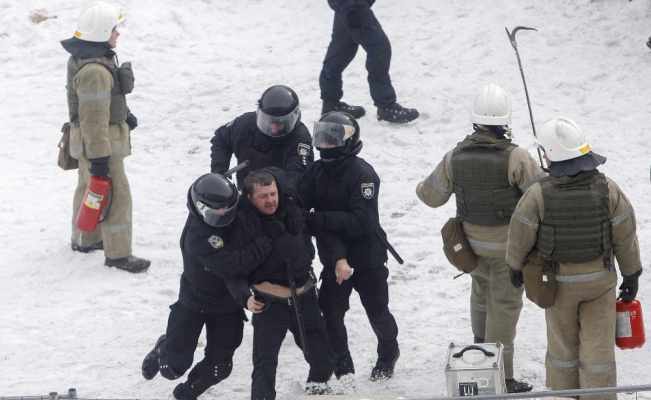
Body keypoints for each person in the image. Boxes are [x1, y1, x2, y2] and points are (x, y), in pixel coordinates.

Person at [415, 84, 544, 393]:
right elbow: (542, 197)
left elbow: (430, 196)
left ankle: (478, 352)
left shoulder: (454, 156)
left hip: (470, 250)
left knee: (480, 296)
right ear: (505, 122)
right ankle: (502, 374)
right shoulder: (517, 157)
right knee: (504, 306)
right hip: (508, 252)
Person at [505, 117, 642, 400]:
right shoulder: (609, 189)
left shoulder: (538, 194)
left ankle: (567, 394)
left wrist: (514, 266)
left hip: (557, 285)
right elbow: (625, 235)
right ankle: (600, 395)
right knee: (598, 349)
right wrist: (631, 274)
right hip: (600, 283)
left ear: (550, 156)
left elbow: (520, 234)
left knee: (563, 346)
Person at [141, 173, 274, 400]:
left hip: (227, 304)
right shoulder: (197, 236)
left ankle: (186, 394)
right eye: (217, 212)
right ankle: (164, 347)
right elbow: (233, 265)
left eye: (227, 209)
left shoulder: (237, 206)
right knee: (173, 368)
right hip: (195, 301)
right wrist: (265, 242)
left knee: (220, 365)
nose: (224, 214)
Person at [298, 111, 400, 382]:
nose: (326, 147)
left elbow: (363, 222)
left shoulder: (362, 174)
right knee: (331, 313)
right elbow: (301, 209)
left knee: (377, 312)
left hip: (367, 257)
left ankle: (388, 353)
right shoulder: (315, 172)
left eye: (332, 141)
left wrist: (322, 219)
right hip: (334, 257)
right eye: (323, 140)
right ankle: (342, 363)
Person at [227, 169, 335, 400]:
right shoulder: (242, 226)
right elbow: (233, 271)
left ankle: (315, 394)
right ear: (249, 198)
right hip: (269, 306)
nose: (270, 200)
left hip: (305, 299)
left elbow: (288, 176)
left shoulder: (291, 209)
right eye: (263, 196)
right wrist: (244, 297)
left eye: (273, 194)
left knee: (323, 361)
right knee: (264, 369)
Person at [61, 1, 149, 272]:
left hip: (84, 142)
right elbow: (94, 120)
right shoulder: (96, 72)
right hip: (100, 147)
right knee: (116, 195)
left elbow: (98, 106)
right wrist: (100, 158)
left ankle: (85, 239)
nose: (117, 34)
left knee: (87, 188)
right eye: (113, 29)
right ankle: (118, 254)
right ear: (100, 33)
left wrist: (125, 113)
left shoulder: (86, 58)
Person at [319, 0, 419, 124]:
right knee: (379, 49)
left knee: (341, 50)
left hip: (348, 5)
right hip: (352, 5)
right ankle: (386, 105)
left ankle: (331, 103)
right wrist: (349, 6)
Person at [210, 85, 314, 195]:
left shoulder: (300, 139)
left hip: (276, 196)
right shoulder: (244, 124)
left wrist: (284, 195)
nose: (274, 129)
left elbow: (295, 172)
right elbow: (221, 138)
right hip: (246, 190)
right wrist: (219, 166)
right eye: (269, 122)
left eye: (280, 124)